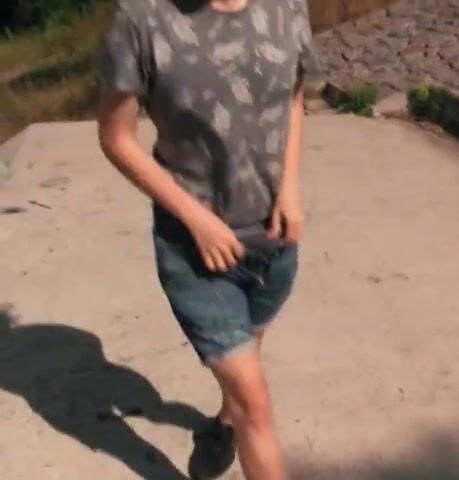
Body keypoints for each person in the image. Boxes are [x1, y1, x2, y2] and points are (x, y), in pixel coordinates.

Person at [96, 0, 319, 478]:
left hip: (273, 240)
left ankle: (225, 423)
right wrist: (195, 218)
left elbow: (293, 95)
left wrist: (290, 187)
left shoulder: (287, 6)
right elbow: (116, 137)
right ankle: (239, 416)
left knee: (246, 369)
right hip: (195, 252)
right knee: (256, 402)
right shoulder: (141, 18)